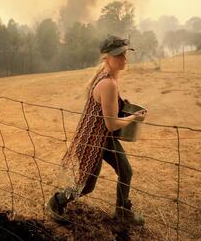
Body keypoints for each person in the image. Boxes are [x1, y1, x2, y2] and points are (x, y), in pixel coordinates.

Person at [46, 35, 147, 225]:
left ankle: (122, 211)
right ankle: (56, 201)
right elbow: (112, 124)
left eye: (124, 54)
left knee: (126, 171)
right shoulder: (107, 84)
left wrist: (122, 105)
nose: (124, 59)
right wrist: (133, 118)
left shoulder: (109, 78)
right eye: (118, 55)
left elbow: (108, 115)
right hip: (92, 140)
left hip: (105, 139)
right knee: (86, 187)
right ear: (106, 57)